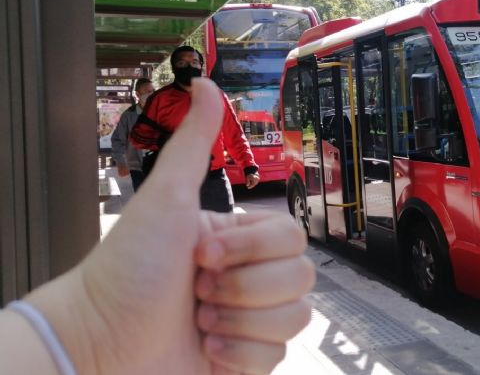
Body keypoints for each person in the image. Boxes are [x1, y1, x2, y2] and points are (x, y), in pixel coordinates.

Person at [0, 77, 315, 374]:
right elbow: (133, 137)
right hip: (147, 170)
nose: (149, 92)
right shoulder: (154, 105)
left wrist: (92, 337)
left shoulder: (209, 101)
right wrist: (90, 331)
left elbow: (233, 133)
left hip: (207, 179)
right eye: (145, 90)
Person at [132, 46, 260, 213]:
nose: (189, 67)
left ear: (201, 66)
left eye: (194, 62)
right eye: (182, 63)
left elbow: (234, 134)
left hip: (214, 181)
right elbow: (137, 136)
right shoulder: (159, 99)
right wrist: (163, 140)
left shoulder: (217, 96)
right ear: (173, 68)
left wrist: (249, 167)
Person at [111, 78, 155, 191]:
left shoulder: (160, 112)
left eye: (152, 91)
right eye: (146, 91)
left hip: (158, 165)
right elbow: (117, 140)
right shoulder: (128, 116)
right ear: (138, 94)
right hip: (138, 167)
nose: (150, 94)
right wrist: (121, 162)